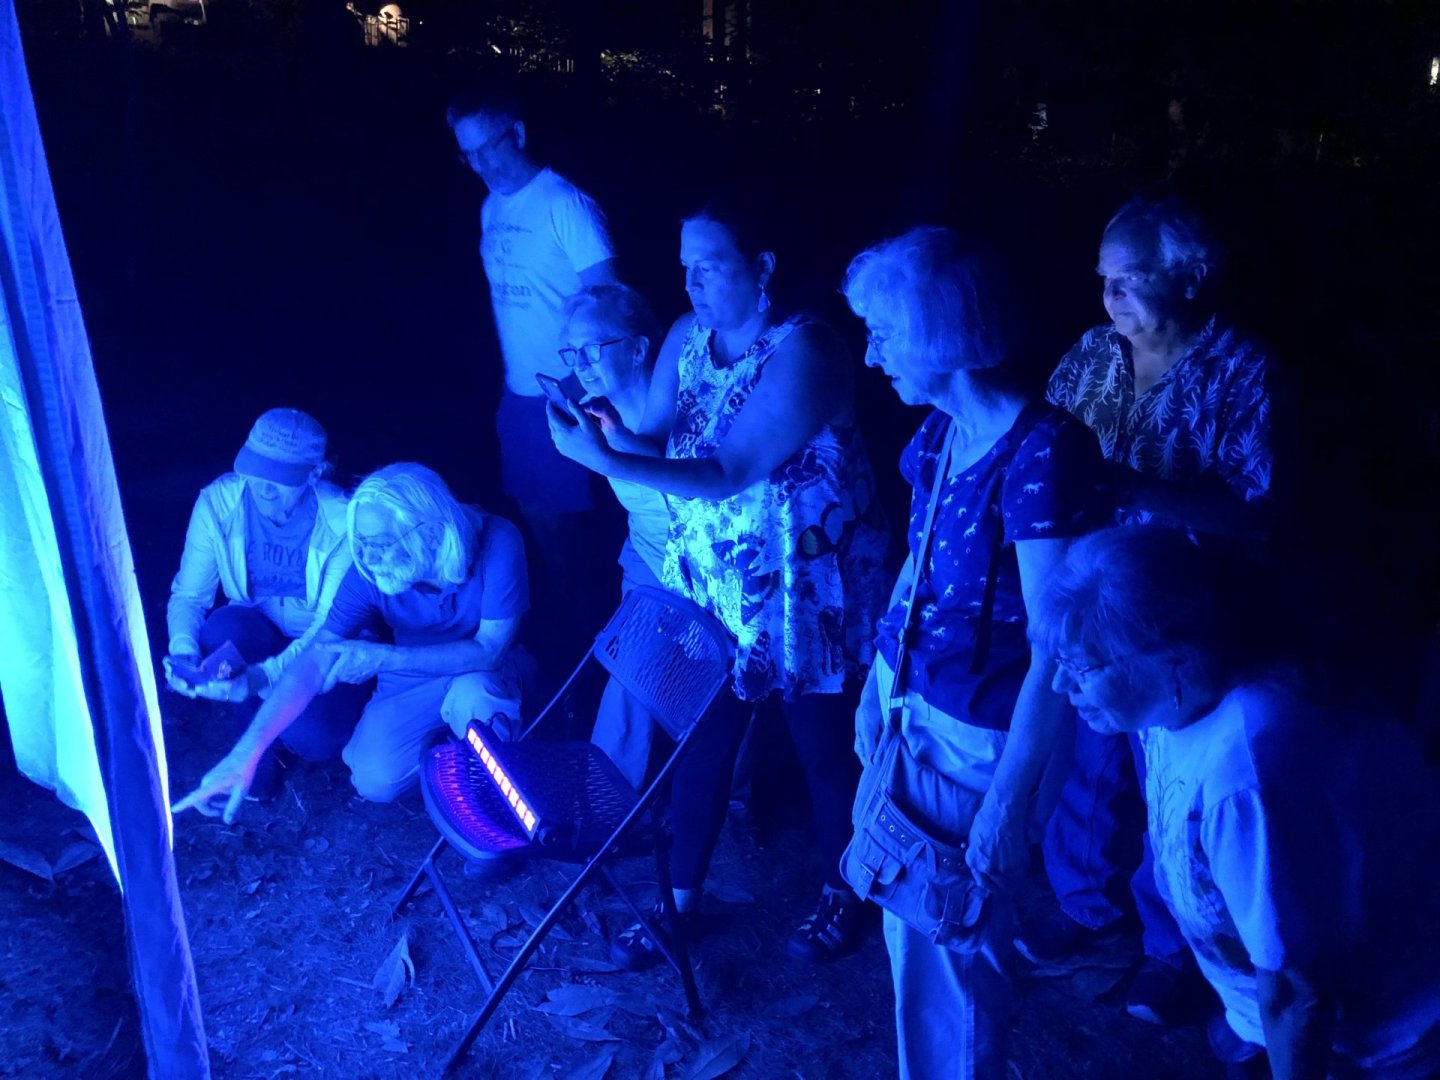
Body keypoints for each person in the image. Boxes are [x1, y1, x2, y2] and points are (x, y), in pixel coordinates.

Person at [549, 195, 889, 965]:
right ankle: (678, 904)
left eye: (710, 266)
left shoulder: (807, 350)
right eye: (685, 269)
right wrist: (604, 426)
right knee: (702, 738)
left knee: (822, 746)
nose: (693, 284)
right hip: (716, 582)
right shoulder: (685, 336)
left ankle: (844, 891)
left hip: (807, 586)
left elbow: (730, 470)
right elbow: (657, 439)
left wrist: (606, 461)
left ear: (761, 266)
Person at [841, 225, 1111, 1079]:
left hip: (980, 739)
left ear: (937, 336)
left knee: (950, 955)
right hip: (915, 715)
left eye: (883, 333)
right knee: (918, 939)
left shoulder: (1041, 452)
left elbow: (1054, 648)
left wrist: (1006, 803)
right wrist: (877, 683)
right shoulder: (940, 435)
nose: (871, 354)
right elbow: (915, 570)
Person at [1033, 526, 1440, 1080]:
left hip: (1374, 1039)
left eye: (1082, 667)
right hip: (1280, 1010)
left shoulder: (1248, 774)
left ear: (1174, 660)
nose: (1060, 685)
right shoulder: (1171, 698)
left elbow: (1300, 993)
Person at [1020, 194, 1277, 1024]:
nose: (1111, 297)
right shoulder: (1093, 354)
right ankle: (1087, 908)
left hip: (1181, 621)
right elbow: (1041, 444)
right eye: (1104, 280)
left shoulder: (1241, 370)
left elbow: (1262, 514)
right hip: (1091, 593)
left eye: (1130, 280)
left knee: (1165, 779)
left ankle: (1176, 950)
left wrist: (1139, 491)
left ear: (1191, 276)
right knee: (1091, 757)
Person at [172, 463, 529, 822]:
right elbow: (315, 659)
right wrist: (244, 755)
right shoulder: (369, 572)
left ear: (432, 534)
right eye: (361, 543)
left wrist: (382, 658)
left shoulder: (498, 542)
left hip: (480, 670)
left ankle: (500, 805)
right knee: (374, 779)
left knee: (475, 696)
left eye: (380, 544)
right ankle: (453, 753)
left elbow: (489, 651)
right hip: (411, 675)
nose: (368, 558)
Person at [447, 78, 620, 680]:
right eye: (467, 152)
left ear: (517, 133)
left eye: (488, 147)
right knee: (536, 526)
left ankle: (594, 657)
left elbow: (610, 307)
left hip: (565, 397)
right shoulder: (491, 208)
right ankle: (573, 648)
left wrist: (577, 391)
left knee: (571, 540)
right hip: (519, 396)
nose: (480, 164)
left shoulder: (565, 206)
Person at [163, 408, 364, 797]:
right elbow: (189, 595)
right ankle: (257, 749)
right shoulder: (219, 503)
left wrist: (263, 677)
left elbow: (327, 630)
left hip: (323, 643)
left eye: (280, 478)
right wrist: (184, 650)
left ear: (316, 473)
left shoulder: (343, 522)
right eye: (254, 471)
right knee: (224, 628)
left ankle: (278, 722)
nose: (263, 488)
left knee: (316, 737)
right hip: (257, 629)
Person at [556, 284, 668, 787]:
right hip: (647, 553)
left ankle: (732, 788)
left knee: (717, 680)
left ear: (639, 348)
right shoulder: (592, 410)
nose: (581, 364)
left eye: (593, 348)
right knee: (631, 670)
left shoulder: (685, 404)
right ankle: (606, 796)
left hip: (711, 558)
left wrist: (612, 446)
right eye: (571, 351)